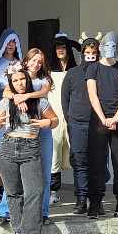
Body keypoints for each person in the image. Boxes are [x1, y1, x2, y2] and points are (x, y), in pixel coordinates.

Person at [0, 64, 58, 234]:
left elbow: (55, 120)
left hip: (30, 148)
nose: (19, 83)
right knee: (13, 193)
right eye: (15, 81)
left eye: (22, 79)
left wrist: (47, 123)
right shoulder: (6, 102)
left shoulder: (40, 102)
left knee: (35, 190)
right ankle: (19, 232)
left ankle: (32, 233)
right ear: (11, 84)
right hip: (8, 148)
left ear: (28, 81)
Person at [0, 49, 53, 223]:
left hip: (41, 127)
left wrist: (26, 96)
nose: (37, 64)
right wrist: (16, 97)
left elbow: (43, 92)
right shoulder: (17, 75)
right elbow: (6, 92)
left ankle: (43, 212)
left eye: (40, 61)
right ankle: (6, 210)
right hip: (19, 130)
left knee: (43, 172)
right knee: (12, 174)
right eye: (33, 60)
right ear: (26, 61)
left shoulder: (44, 79)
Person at [86, 31, 118, 219]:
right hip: (98, 122)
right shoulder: (93, 68)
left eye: (113, 45)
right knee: (97, 164)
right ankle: (95, 204)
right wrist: (103, 118)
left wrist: (116, 118)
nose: (110, 48)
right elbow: (92, 95)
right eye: (106, 45)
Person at [62, 32, 102, 214]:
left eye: (94, 53)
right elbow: (65, 99)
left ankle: (97, 201)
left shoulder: (103, 72)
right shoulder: (72, 73)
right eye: (87, 52)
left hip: (98, 124)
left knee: (98, 163)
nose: (90, 56)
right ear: (82, 53)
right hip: (77, 124)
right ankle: (81, 199)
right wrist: (70, 119)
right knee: (79, 162)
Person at [0, 28, 23, 207]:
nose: (11, 45)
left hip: (17, 111)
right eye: (8, 42)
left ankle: (13, 191)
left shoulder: (21, 64)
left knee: (16, 150)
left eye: (14, 42)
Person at [48, 33, 80, 205]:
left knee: (76, 152)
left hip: (72, 115)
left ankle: (81, 192)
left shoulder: (75, 70)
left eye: (63, 47)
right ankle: (53, 191)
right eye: (57, 47)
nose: (60, 50)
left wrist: (73, 43)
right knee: (54, 153)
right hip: (54, 115)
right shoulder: (48, 71)